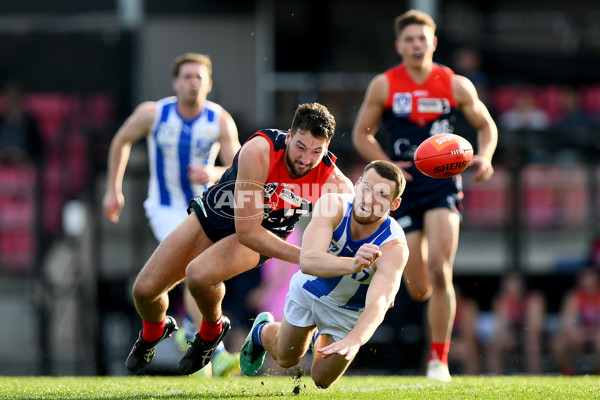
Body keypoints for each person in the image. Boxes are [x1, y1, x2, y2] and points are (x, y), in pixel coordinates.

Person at [123, 102, 354, 376]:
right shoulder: (260, 150)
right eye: (300, 147)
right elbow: (248, 230)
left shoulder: (336, 187)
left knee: (198, 275)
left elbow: (349, 236)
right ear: (289, 137)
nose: (305, 160)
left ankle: (211, 330)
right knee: (144, 291)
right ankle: (154, 331)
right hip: (217, 216)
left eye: (316, 152)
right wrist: (305, 257)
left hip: (265, 232)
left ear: (326, 150)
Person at [351, 9, 497, 381]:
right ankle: (432, 321)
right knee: (418, 287)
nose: (417, 45)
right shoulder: (384, 85)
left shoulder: (454, 83)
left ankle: (438, 360)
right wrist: (389, 167)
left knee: (440, 269)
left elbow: (485, 125)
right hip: (403, 189)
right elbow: (360, 136)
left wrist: (486, 157)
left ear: (432, 43)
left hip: (443, 184)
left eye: (423, 39)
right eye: (409, 40)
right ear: (400, 46)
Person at [102, 52, 242, 376]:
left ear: (208, 83)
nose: (193, 83)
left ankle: (193, 334)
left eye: (199, 77)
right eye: (187, 77)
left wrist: (214, 171)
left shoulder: (219, 119)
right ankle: (215, 349)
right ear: (175, 82)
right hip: (165, 208)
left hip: (204, 210)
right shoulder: (154, 113)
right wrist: (113, 189)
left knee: (203, 275)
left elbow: (239, 168)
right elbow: (121, 140)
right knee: (194, 268)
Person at [240, 160, 408, 388]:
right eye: (366, 188)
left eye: (381, 195)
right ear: (357, 185)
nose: (368, 199)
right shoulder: (333, 204)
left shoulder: (393, 246)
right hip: (310, 289)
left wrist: (355, 339)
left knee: (321, 379)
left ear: (394, 204)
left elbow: (379, 304)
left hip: (348, 311)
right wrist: (353, 264)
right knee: (286, 358)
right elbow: (308, 261)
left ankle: (321, 337)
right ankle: (261, 331)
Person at [485, 271, 546, 375]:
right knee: (494, 346)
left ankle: (534, 378)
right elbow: (501, 328)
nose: (513, 290)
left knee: (533, 344)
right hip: (511, 337)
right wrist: (508, 337)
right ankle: (495, 379)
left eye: (516, 285)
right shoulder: (501, 301)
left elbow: (534, 328)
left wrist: (521, 337)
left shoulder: (533, 299)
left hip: (529, 337)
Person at [552, 266, 600, 375]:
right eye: (586, 279)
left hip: (596, 335)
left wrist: (592, 333)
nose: (588, 283)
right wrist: (576, 334)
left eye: (591, 279)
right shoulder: (573, 296)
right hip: (578, 336)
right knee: (559, 343)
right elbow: (567, 322)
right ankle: (568, 374)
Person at [0, 80, 42, 167]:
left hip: (23, 164)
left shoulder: (30, 123)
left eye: (15, 99)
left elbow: (37, 150)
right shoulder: (1, 121)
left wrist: (24, 155)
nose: (12, 103)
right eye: (10, 99)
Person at [447, 286, 480, 375]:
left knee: (470, 347)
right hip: (445, 343)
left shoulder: (468, 307)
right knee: (431, 348)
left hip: (462, 343)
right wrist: (449, 345)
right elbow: (431, 333)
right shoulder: (437, 307)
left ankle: (472, 378)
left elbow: (469, 334)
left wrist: (456, 345)